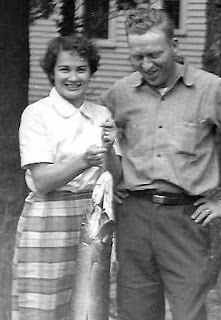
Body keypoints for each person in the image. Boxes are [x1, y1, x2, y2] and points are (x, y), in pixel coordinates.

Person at [99, 8, 221, 320]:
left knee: (188, 310)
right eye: (137, 57)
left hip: (186, 219)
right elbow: (96, 140)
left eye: (154, 54)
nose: (146, 65)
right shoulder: (119, 93)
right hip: (133, 215)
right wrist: (110, 181)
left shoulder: (211, 89)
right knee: (134, 309)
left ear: (174, 45)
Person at [12, 34, 121, 320]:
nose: (73, 77)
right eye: (65, 69)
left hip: (95, 214)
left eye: (81, 69)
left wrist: (110, 151)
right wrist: (84, 161)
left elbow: (116, 177)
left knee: (90, 303)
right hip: (50, 214)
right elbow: (44, 181)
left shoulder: (102, 114)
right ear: (51, 72)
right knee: (44, 304)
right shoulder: (37, 114)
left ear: (91, 72)